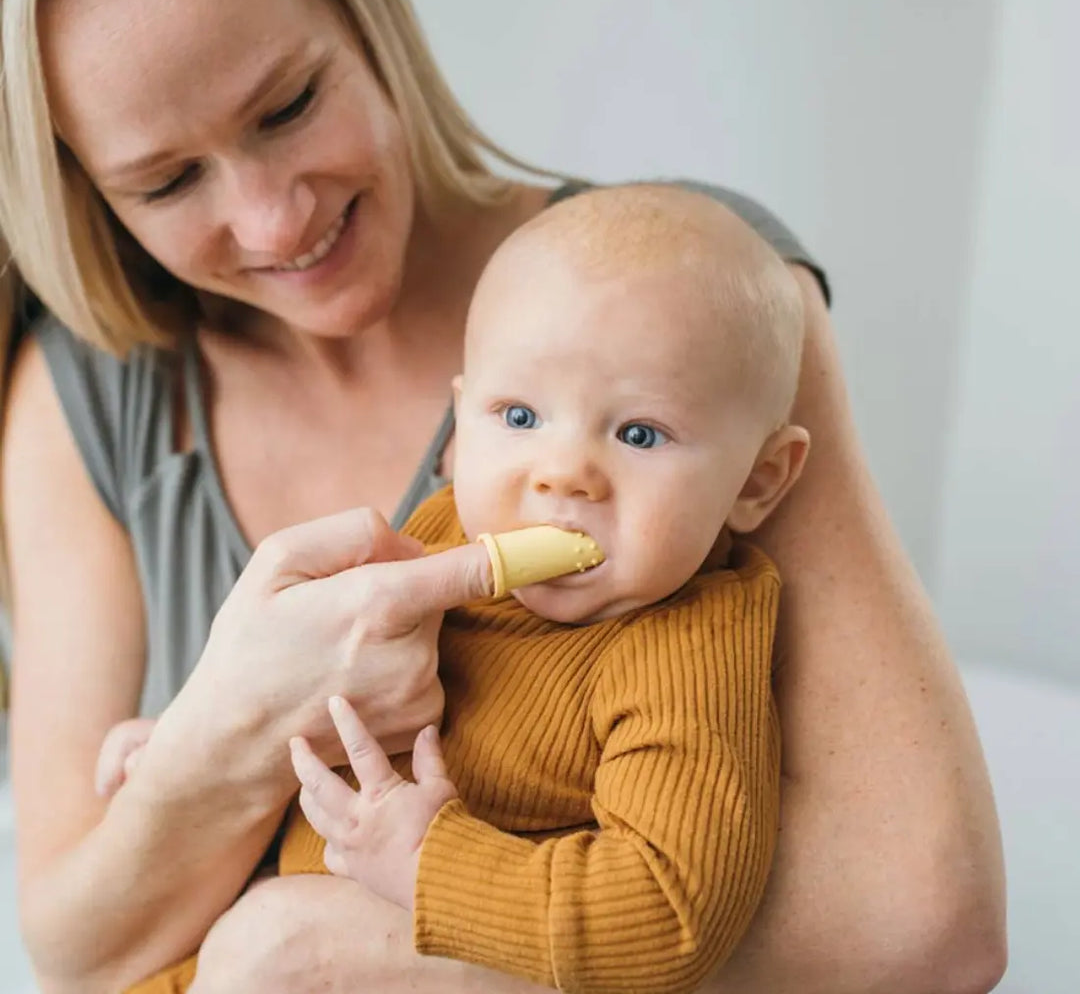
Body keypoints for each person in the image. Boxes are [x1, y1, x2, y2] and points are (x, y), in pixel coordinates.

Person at [0, 0, 1005, 993]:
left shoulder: (696, 306)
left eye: (288, 106)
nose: (272, 218)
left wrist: (330, 945)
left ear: (368, 15)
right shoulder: (91, 389)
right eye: (165, 182)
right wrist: (208, 746)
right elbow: (72, 948)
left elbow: (928, 918)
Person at [99, 185, 812, 992]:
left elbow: (671, 914)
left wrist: (428, 858)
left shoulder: (688, 646)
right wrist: (194, 737)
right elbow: (304, 687)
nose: (562, 474)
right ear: (459, 423)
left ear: (758, 481)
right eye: (518, 418)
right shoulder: (439, 540)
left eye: (638, 433)